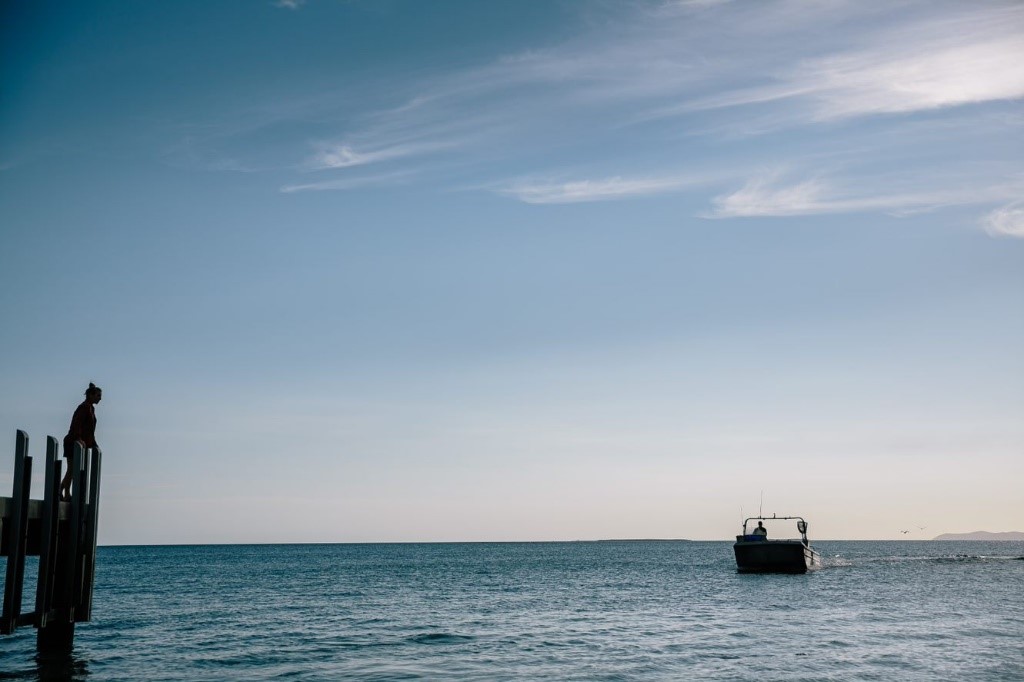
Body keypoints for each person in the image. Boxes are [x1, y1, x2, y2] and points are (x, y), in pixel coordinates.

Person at [61, 382, 102, 500]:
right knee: (72, 469)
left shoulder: (90, 408)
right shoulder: (84, 407)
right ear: (91, 395)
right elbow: (77, 423)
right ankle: (65, 492)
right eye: (98, 395)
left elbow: (89, 431)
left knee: (73, 469)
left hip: (78, 443)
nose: (100, 398)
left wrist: (94, 444)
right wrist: (78, 438)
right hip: (73, 442)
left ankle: (62, 490)